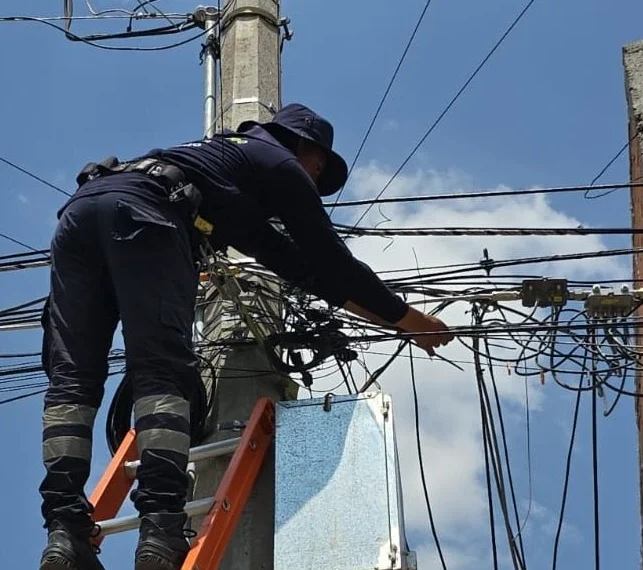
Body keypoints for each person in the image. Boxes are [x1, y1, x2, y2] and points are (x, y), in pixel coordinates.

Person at [37, 103, 454, 570]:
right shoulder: (278, 162)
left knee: (74, 382)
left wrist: (390, 320)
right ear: (303, 146)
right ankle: (160, 530)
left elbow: (306, 272)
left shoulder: (224, 177)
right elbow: (331, 259)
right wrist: (407, 317)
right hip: (146, 216)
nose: (316, 182)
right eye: (320, 168)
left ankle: (64, 534)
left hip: (80, 216)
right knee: (161, 376)